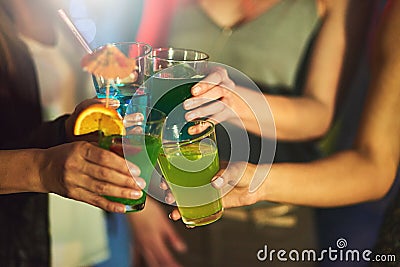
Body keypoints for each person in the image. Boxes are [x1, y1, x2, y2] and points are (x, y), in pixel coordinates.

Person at [136, 0, 373, 266]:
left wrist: (233, 100)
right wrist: (137, 202)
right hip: (173, 212)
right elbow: (137, 89)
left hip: (271, 226)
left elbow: (319, 117)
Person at [0, 1, 144, 266]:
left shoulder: (68, 26)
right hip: (30, 237)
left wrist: (67, 129)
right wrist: (42, 169)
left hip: (93, 214)